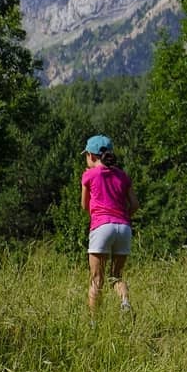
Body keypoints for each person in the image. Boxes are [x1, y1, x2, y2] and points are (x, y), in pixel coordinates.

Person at [80, 134, 139, 316]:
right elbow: (135, 205)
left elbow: (84, 205)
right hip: (124, 228)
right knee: (116, 276)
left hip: (102, 226)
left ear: (91, 155)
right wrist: (122, 216)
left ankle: (93, 322)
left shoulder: (89, 175)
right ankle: (125, 302)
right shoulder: (122, 175)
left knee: (97, 278)